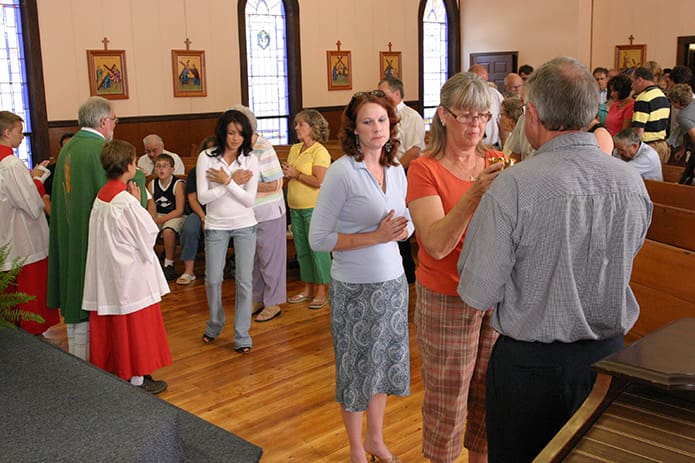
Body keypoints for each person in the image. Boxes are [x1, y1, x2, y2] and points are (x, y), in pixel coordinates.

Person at [457, 57, 652, 463]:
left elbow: (477, 290)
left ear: (533, 114)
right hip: (610, 360)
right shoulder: (630, 182)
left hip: (531, 367)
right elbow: (626, 255)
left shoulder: (514, 186)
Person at [309, 89, 413, 463]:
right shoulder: (342, 172)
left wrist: (403, 231)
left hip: (393, 283)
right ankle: (355, 449)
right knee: (356, 369)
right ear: (353, 129)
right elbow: (318, 238)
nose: (376, 128)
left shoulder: (397, 169)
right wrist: (377, 236)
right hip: (354, 287)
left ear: (392, 123)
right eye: (367, 122)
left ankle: (375, 439)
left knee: (382, 366)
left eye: (382, 120)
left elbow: (407, 221)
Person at [406, 72, 503, 463]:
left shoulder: (497, 159)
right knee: (449, 398)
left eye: (482, 116)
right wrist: (476, 192)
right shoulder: (425, 169)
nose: (476, 125)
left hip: (494, 296)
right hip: (447, 295)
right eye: (466, 115)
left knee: (488, 393)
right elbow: (435, 242)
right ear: (444, 115)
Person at [82, 140, 171, 394]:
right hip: (130, 275)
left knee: (117, 325)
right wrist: (137, 201)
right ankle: (137, 377)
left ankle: (120, 370)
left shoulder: (102, 195)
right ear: (130, 166)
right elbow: (147, 234)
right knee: (135, 326)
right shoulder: (125, 200)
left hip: (109, 270)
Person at [48, 96, 117, 360]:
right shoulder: (100, 150)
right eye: (113, 120)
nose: (114, 125)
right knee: (90, 300)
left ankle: (79, 356)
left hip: (71, 234)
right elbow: (114, 194)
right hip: (92, 239)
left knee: (76, 300)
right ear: (102, 121)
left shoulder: (70, 146)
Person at [198, 110, 259, 353]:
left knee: (244, 281)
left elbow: (249, 200)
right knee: (213, 279)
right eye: (231, 132)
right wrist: (231, 182)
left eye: (241, 134)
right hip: (216, 225)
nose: (235, 138)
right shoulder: (207, 157)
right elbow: (203, 197)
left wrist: (226, 181)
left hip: (245, 224)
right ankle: (214, 324)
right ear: (222, 131)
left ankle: (242, 335)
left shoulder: (251, 159)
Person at [0, 111, 59, 335]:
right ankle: (30, 331)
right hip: (20, 237)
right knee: (27, 288)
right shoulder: (11, 164)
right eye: (18, 131)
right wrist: (38, 178)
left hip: (5, 233)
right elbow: (31, 205)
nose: (22, 136)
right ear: (7, 132)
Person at [228, 104, 286, 323]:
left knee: (270, 260)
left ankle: (273, 303)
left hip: (269, 212)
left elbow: (275, 184)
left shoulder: (263, 148)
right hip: (246, 214)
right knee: (251, 260)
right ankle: (257, 298)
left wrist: (244, 184)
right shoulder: (238, 149)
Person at [281, 109, 332, 310]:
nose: (296, 127)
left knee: (317, 250)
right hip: (295, 207)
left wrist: (295, 174)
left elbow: (319, 181)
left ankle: (322, 291)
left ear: (313, 127)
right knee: (302, 250)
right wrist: (287, 173)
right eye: (296, 124)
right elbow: (291, 173)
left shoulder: (320, 152)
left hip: (314, 209)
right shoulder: (295, 149)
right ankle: (307, 288)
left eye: (300, 124)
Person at [377, 76, 425, 284]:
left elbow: (415, 150)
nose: (380, 97)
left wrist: (394, 170)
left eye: (384, 93)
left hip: (402, 171)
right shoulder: (380, 115)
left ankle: (407, 271)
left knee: (399, 217)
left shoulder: (411, 117)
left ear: (397, 94)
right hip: (381, 171)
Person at [176, 135, 216, 285]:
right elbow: (192, 198)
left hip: (219, 212)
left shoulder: (224, 170)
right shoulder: (195, 172)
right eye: (208, 150)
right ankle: (188, 271)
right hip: (199, 210)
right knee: (189, 228)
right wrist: (203, 216)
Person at [147, 152, 186, 281]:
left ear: (172, 169)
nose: (161, 169)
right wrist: (153, 219)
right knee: (146, 228)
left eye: (165, 166)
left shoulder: (178, 184)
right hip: (158, 214)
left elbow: (179, 210)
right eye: (158, 166)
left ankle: (168, 264)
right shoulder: (152, 184)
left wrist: (160, 220)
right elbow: (151, 205)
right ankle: (150, 261)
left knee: (168, 231)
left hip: (175, 215)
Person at [631, 66, 671, 163]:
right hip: (662, 145)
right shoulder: (662, 95)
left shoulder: (643, 98)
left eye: (633, 82)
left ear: (640, 80)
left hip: (649, 147)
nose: (632, 86)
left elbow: (639, 130)